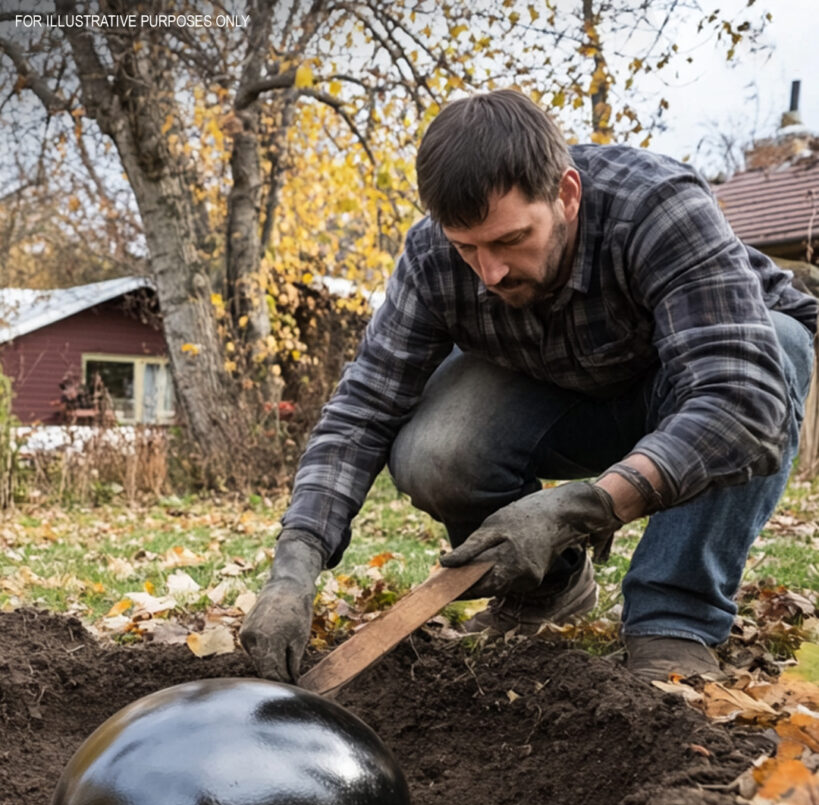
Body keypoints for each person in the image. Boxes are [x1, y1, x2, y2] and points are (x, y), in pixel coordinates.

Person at [240, 89, 817, 685]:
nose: (489, 273)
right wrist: (293, 569)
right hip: (564, 395)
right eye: (468, 248)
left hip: (692, 391)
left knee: (778, 347)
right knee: (435, 451)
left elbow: (740, 405)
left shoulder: (656, 208)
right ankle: (548, 589)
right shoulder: (433, 257)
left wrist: (583, 507)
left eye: (511, 240)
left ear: (566, 195)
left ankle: (673, 618)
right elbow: (362, 409)